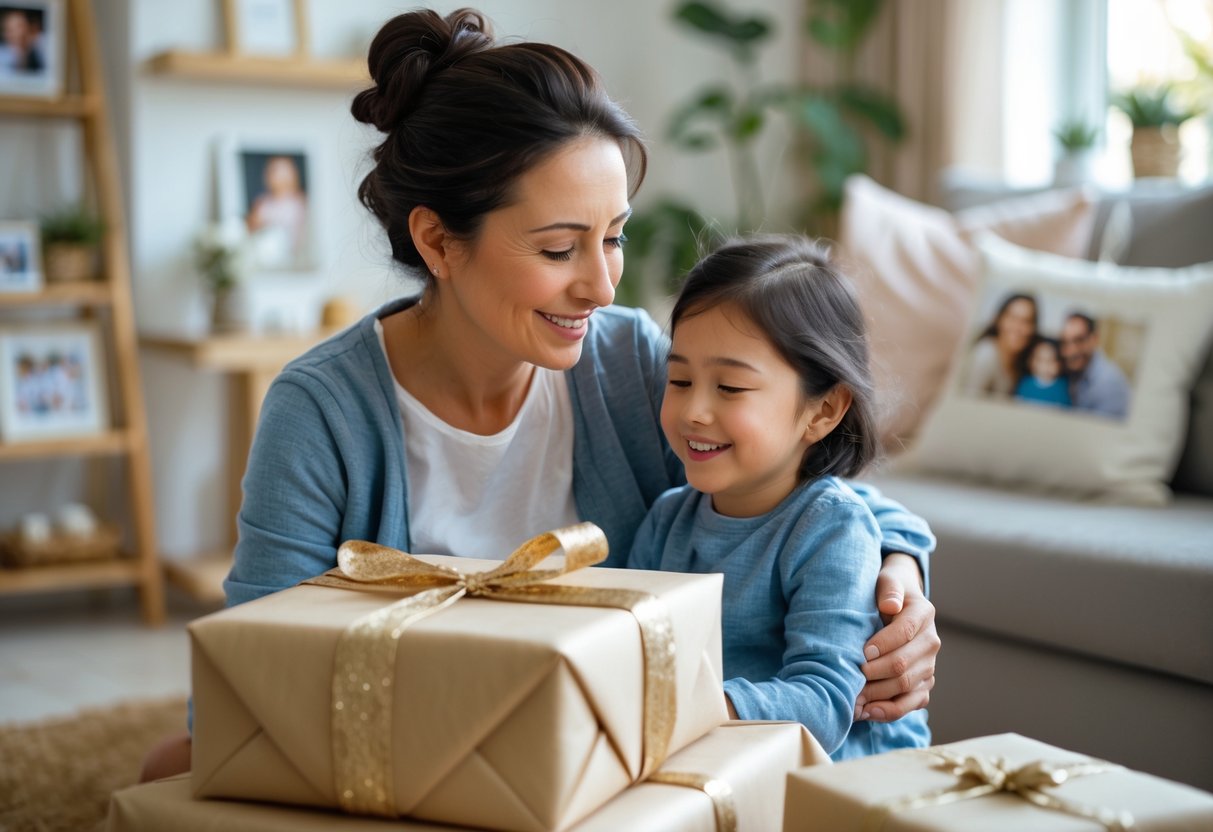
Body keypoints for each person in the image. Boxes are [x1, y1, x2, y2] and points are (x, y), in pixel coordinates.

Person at [141, 7, 938, 780]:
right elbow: (244, 681)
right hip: (407, 744)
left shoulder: (624, 362)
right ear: (436, 240)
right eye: (561, 248)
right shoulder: (322, 411)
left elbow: (798, 484)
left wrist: (899, 571)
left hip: (591, 752)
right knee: (172, 768)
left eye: (614, 236)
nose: (599, 284)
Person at [627, 235, 930, 760]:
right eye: (679, 379)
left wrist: (696, 707)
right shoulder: (666, 519)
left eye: (730, 388)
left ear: (824, 410)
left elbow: (826, 700)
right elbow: (632, 651)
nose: (694, 410)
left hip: (839, 782)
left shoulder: (832, 528)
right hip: (715, 756)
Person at [963, 293, 1038, 398]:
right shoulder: (985, 355)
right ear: (998, 320)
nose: (1018, 328)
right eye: (1013, 318)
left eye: (1027, 321)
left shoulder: (1022, 362)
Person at [1059, 313, 1130, 419]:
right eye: (1065, 342)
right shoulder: (1075, 369)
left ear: (1095, 339)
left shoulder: (1109, 383)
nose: (1069, 351)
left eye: (1079, 340)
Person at [245, 154, 308, 268]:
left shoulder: (300, 202)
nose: (275, 175)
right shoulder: (262, 203)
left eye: (280, 170)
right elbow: (250, 229)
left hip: (290, 258)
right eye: (271, 170)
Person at [1014, 336, 1070, 408]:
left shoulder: (1063, 387)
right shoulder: (1025, 384)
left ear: (1059, 364)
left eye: (1051, 360)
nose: (1046, 365)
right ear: (1031, 362)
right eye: (1041, 360)